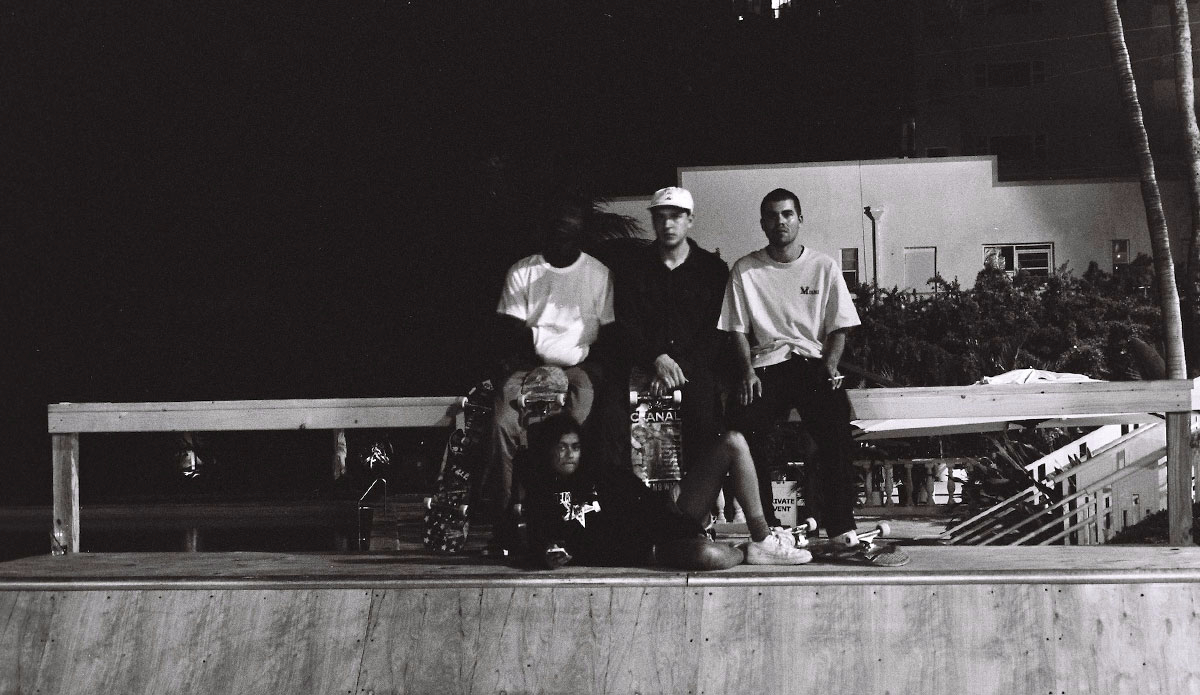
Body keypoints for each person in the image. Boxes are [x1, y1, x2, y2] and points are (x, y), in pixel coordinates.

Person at [717, 187, 863, 550]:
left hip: (811, 363)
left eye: (787, 214)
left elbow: (839, 327)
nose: (780, 221)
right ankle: (767, 530)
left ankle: (841, 524)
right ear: (763, 224)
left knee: (836, 423)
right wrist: (747, 371)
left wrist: (830, 365)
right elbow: (736, 330)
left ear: (800, 219)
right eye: (772, 216)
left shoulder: (824, 266)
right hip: (766, 364)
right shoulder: (746, 269)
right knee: (744, 427)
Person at [518, 413, 811, 569]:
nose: (570, 454)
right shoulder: (542, 491)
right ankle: (744, 552)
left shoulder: (598, 471)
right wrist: (547, 556)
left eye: (575, 447)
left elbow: (643, 502)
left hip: (667, 514)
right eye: (562, 447)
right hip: (650, 550)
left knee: (733, 441)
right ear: (548, 450)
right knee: (708, 556)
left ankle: (761, 538)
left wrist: (678, 519)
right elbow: (534, 542)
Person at [488, 191, 616, 542]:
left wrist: (574, 371)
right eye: (558, 217)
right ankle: (508, 523)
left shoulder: (598, 273)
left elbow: (606, 334)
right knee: (503, 424)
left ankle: (571, 520)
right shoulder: (523, 270)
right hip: (529, 368)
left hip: (578, 369)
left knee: (578, 426)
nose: (564, 224)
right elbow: (510, 330)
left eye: (572, 218)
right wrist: (541, 371)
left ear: (582, 226)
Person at [612, 186, 730, 474]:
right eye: (660, 217)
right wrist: (657, 360)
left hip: (694, 370)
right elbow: (626, 323)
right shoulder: (633, 268)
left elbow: (716, 331)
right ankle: (662, 510)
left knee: (702, 430)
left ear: (690, 219)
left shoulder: (712, 269)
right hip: (648, 368)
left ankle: (702, 508)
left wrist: (680, 367)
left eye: (676, 216)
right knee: (654, 461)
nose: (667, 224)